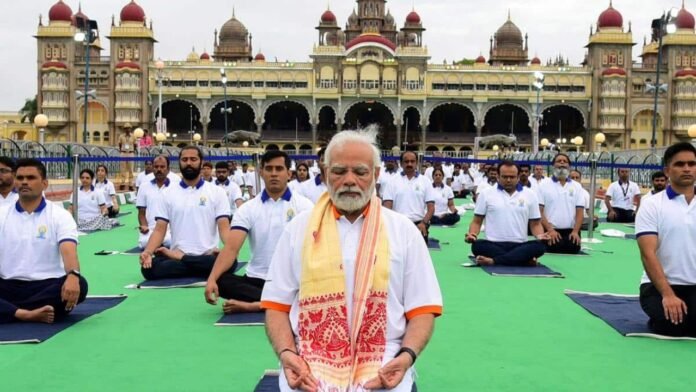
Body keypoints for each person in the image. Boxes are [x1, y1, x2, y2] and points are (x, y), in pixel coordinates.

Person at [260, 129, 442, 391]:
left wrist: (406, 357)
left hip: (384, 363)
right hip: (308, 366)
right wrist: (288, 354)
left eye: (360, 171)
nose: (349, 180)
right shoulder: (298, 229)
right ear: (324, 174)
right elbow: (277, 305)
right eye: (338, 171)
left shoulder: (403, 231)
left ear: (376, 175)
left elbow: (423, 309)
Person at [205, 151, 313, 314]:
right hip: (256, 279)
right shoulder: (248, 208)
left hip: (290, 280)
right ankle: (278, 303)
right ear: (261, 172)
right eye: (269, 169)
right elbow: (231, 248)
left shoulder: (305, 206)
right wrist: (212, 279)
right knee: (221, 280)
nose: (274, 174)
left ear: (289, 174)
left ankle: (255, 305)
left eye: (279, 169)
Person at [0, 158, 88, 324]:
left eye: (31, 178)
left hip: (46, 286)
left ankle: (10, 311)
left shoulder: (60, 215)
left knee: (80, 284)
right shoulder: (2, 214)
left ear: (45, 183)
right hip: (7, 285)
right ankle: (24, 314)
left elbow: (69, 251)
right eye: (20, 178)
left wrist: (73, 275)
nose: (24, 182)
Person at [139, 146, 231, 280]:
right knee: (148, 268)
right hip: (179, 257)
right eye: (185, 159)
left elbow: (224, 228)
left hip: (207, 255)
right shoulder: (167, 194)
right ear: (179, 162)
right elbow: (159, 230)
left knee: (230, 262)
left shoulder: (217, 192)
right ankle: (199, 267)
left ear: (201, 162)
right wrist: (148, 252)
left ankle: (189, 262)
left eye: (193, 159)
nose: (188, 163)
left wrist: (228, 251)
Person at [636, 142, 696, 337]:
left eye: (692, 164)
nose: (687, 168)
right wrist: (668, 295)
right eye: (680, 164)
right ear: (667, 170)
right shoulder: (652, 205)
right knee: (673, 327)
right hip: (658, 286)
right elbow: (647, 254)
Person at [466, 160, 548, 266]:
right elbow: (477, 221)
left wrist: (540, 236)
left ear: (518, 177)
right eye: (504, 177)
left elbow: (535, 224)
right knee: (477, 246)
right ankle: (522, 260)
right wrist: (472, 234)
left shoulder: (530, 195)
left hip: (520, 244)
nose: (508, 180)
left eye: (512, 177)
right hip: (493, 244)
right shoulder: (486, 194)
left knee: (539, 247)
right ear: (498, 176)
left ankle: (494, 261)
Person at [382, 150, 436, 242]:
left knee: (419, 256)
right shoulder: (392, 181)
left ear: (417, 163)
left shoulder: (425, 181)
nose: (409, 164)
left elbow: (431, 208)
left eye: (412, 161)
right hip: (398, 225)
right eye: (406, 161)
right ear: (401, 163)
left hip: (419, 225)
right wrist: (391, 226)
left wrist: (424, 223)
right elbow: (387, 207)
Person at [537, 153, 585, 254]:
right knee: (554, 248)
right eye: (559, 161)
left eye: (565, 161)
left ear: (569, 166)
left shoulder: (577, 186)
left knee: (573, 248)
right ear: (553, 165)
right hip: (550, 229)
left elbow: (580, 212)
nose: (562, 163)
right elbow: (539, 211)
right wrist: (550, 230)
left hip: (571, 230)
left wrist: (576, 232)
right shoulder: (543, 185)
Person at [136, 155, 172, 250]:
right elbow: (141, 213)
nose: (159, 169)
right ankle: (158, 243)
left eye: (162, 167)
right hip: (151, 229)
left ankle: (158, 243)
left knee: (170, 241)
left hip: (170, 230)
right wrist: (144, 226)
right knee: (143, 243)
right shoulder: (144, 187)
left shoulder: (176, 187)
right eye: (156, 167)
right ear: (152, 168)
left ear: (168, 169)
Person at [117, 124, 136, 191]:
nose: (127, 129)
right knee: (123, 169)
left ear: (130, 129)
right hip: (123, 153)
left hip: (130, 153)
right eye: (126, 128)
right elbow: (119, 144)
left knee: (131, 169)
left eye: (128, 128)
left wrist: (133, 151)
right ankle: (122, 183)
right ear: (124, 129)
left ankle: (130, 184)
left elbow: (135, 144)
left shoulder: (133, 136)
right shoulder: (121, 136)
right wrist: (121, 150)